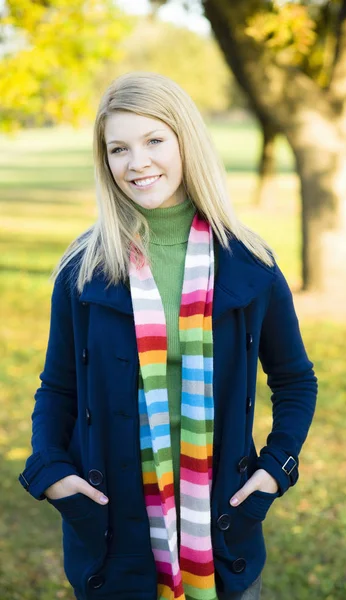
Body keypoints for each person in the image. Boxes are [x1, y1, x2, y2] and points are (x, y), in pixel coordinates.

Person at [18, 71, 318, 600]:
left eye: (154, 140)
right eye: (118, 148)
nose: (137, 163)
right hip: (115, 529)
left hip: (221, 520)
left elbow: (295, 381)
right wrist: (52, 472)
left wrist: (276, 470)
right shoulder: (84, 270)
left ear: (186, 140)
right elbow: (58, 387)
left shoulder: (251, 265)